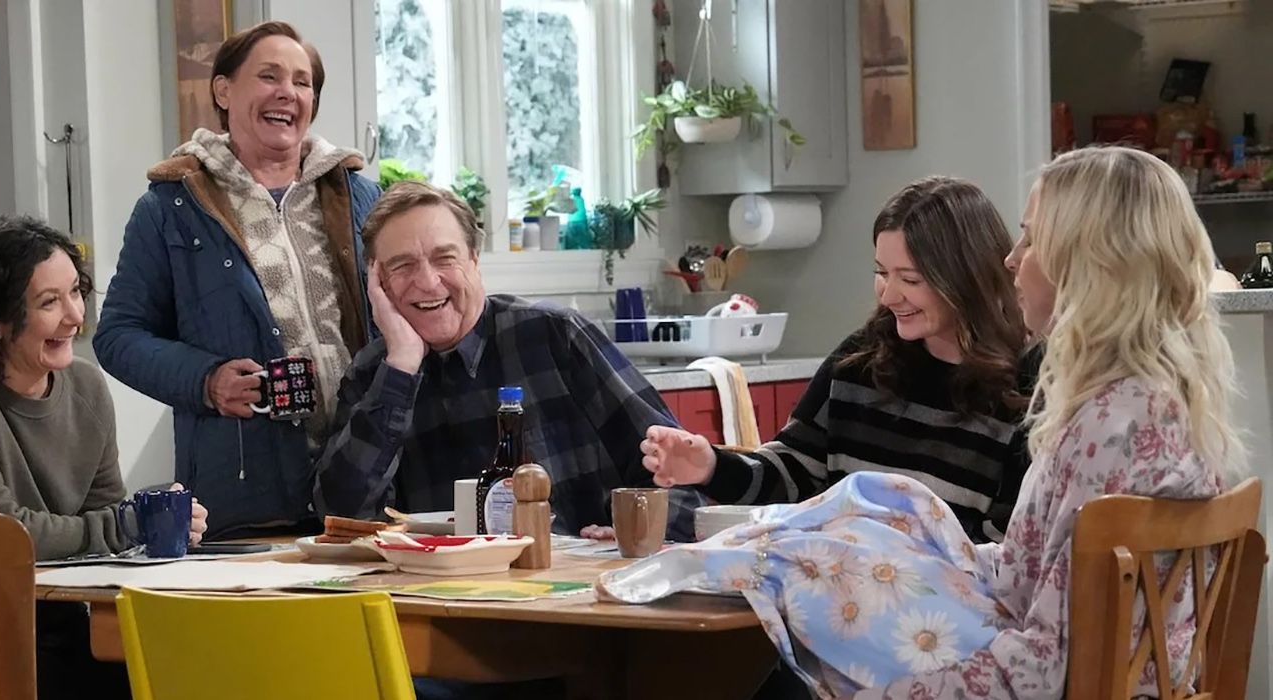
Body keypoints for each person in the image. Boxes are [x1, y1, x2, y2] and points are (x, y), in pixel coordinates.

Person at [601, 146, 1244, 698]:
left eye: (1031, 238)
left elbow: (1049, 659)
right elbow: (1036, 590)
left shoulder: (1102, 425)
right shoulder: (1148, 406)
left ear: (1090, 261)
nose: (1013, 259)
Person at [0, 216, 208, 700]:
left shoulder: (87, 386)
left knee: (184, 673)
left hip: (61, 619)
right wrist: (128, 525)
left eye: (75, 292)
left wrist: (146, 524)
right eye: (49, 302)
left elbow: (105, 517)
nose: (75, 316)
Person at [94, 21, 381, 539]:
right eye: (268, 76)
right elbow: (117, 336)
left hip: (364, 488)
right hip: (245, 497)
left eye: (302, 82)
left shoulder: (358, 196)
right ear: (224, 90)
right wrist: (206, 380)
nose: (287, 93)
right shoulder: (171, 206)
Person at [641, 176, 1037, 544]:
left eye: (911, 280)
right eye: (882, 272)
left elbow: (1007, 551)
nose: (888, 295)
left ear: (967, 278)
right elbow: (793, 474)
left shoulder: (1028, 387)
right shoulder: (859, 362)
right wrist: (711, 467)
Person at [314, 181, 704, 541]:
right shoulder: (375, 373)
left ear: (474, 259)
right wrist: (400, 366)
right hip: (439, 595)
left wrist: (636, 530)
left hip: (576, 587)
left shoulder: (554, 334)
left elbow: (682, 478)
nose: (428, 282)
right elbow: (342, 516)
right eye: (402, 266)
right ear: (377, 284)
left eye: (444, 258)